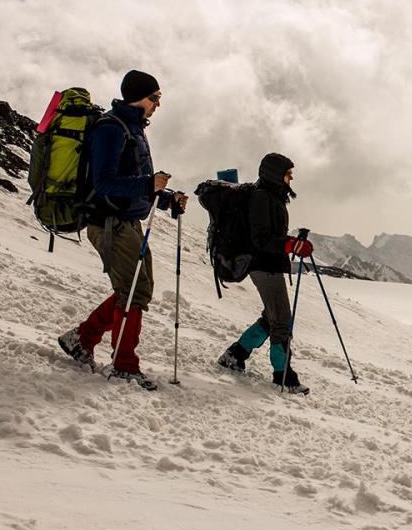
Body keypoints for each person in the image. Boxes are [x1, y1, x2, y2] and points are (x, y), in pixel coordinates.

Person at [57, 70, 186, 391]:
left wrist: (167, 198)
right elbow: (103, 182)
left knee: (135, 289)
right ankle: (124, 364)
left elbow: (134, 181)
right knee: (133, 292)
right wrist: (147, 183)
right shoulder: (111, 129)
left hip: (125, 221)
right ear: (137, 97)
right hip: (109, 223)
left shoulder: (133, 129)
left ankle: (82, 338)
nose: (158, 104)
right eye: (154, 98)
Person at [217, 152, 312, 395]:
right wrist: (289, 245)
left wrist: (291, 243)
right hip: (263, 265)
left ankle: (235, 354)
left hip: (268, 264)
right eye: (287, 174)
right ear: (275, 174)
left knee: (272, 318)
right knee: (281, 319)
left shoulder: (271, 196)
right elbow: (260, 238)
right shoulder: (261, 197)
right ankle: (283, 376)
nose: (290, 178)